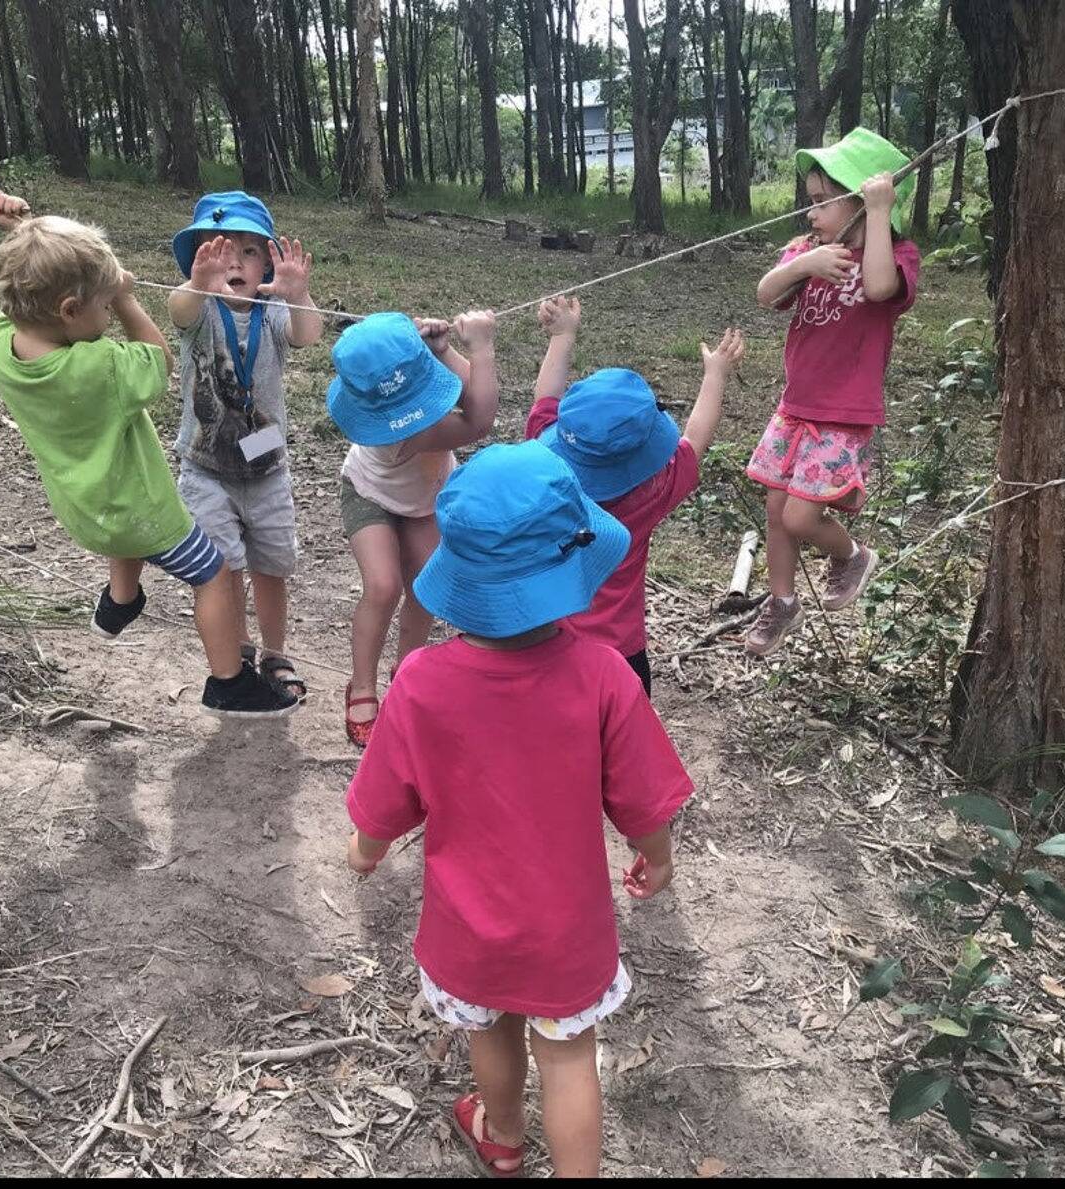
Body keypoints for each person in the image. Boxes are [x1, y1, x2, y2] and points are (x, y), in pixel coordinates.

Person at [345, 441, 693, 1177]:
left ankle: (501, 1133)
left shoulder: (420, 681)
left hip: (469, 922)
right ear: (572, 565)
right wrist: (657, 855)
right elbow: (641, 798)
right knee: (569, 1055)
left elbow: (383, 804)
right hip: (568, 927)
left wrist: (366, 850)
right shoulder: (601, 674)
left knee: (490, 1026)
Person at [0, 190, 296, 717]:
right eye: (103, 305)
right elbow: (158, 358)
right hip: (143, 510)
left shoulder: (1, 340)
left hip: (85, 509)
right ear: (71, 310)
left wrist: (23, 230)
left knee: (120, 533)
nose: (110, 311)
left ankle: (122, 601)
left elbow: (30, 285)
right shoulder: (101, 366)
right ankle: (230, 683)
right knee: (214, 574)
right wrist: (128, 300)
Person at [744, 127, 920, 657]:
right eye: (811, 202)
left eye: (823, 202)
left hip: (842, 414)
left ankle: (852, 555)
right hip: (794, 408)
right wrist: (803, 264)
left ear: (863, 204)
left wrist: (880, 214)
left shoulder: (897, 257)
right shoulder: (807, 252)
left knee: (801, 517)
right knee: (777, 513)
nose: (811, 214)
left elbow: (880, 288)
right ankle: (783, 604)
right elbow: (765, 294)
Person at [526, 295, 745, 694]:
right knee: (621, 752)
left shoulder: (542, 471)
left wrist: (562, 336)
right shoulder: (654, 491)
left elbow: (545, 401)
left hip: (541, 646)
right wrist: (716, 373)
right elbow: (695, 437)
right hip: (620, 658)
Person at [167, 192, 324, 699]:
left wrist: (298, 295)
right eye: (218, 248)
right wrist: (197, 283)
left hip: (267, 465)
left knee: (272, 564)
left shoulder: (273, 311)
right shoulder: (200, 310)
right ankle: (236, 647)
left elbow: (308, 336)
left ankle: (277, 650)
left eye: (249, 251)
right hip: (206, 466)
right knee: (222, 566)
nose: (234, 260)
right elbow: (177, 308)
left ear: (268, 265)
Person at [325, 309, 499, 747]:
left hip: (424, 499)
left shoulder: (405, 411)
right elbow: (479, 415)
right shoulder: (420, 431)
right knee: (382, 586)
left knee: (425, 587)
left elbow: (466, 397)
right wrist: (480, 348)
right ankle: (362, 684)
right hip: (368, 491)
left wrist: (441, 352)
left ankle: (407, 674)